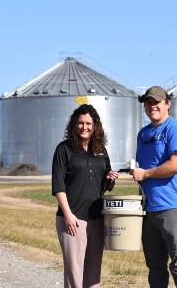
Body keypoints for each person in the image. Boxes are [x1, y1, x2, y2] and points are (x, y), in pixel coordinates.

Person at [130, 86, 177, 288]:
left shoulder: (176, 129)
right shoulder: (143, 133)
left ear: (168, 104)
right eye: (148, 102)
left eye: (157, 102)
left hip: (173, 207)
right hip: (148, 210)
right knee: (155, 266)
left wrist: (146, 173)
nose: (152, 106)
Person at [52, 104, 118, 288]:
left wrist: (110, 179)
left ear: (95, 125)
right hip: (73, 220)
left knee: (93, 274)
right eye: (80, 123)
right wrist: (68, 215)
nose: (84, 127)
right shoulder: (64, 149)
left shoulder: (100, 150)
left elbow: (104, 185)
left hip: (97, 219)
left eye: (88, 123)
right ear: (74, 125)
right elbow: (58, 186)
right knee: (74, 274)